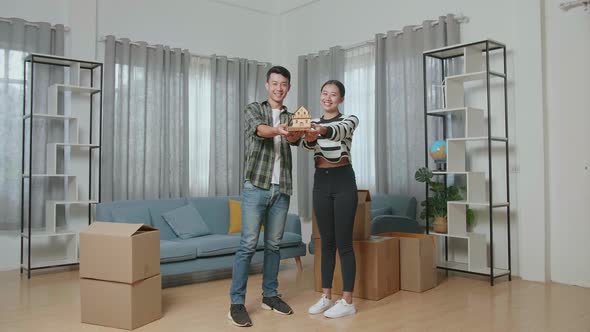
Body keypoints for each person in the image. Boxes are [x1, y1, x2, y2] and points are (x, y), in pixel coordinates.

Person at [228, 66, 304, 327]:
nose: (279, 88)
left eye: (283, 84)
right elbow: (260, 130)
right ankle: (236, 303)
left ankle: (270, 296)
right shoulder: (254, 109)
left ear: (288, 88)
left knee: (273, 246)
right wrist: (279, 130)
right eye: (274, 83)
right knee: (248, 246)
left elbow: (296, 139)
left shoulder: (292, 116)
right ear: (266, 85)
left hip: (281, 188)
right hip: (256, 186)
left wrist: (297, 132)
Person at [303, 80, 359, 319]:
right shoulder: (312, 121)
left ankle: (347, 301)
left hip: (343, 181)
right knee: (326, 243)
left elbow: (337, 132)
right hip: (321, 181)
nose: (328, 98)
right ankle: (326, 296)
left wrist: (319, 129)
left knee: (344, 243)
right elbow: (308, 144)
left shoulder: (350, 119)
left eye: (333, 94)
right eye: (324, 93)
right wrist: (306, 131)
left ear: (341, 99)